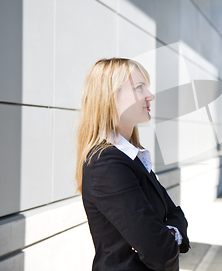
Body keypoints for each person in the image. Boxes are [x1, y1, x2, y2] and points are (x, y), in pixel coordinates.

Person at [75, 58, 190, 271]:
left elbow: (176, 214)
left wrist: (169, 232)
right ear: (110, 97)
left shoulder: (132, 158)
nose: (150, 96)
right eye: (139, 88)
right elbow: (159, 249)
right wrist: (168, 234)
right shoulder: (106, 164)